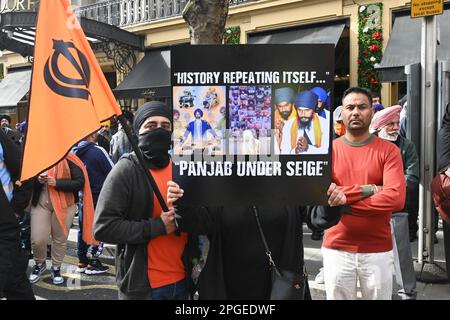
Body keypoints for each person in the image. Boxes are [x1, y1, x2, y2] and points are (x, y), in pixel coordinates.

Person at [166, 182, 347, 299]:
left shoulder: (289, 182)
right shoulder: (219, 185)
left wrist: (331, 204)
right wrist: (181, 202)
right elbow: (195, 223)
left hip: (281, 287)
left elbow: (316, 218)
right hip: (230, 290)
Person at [94, 101, 198, 300]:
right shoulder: (126, 170)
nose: (159, 131)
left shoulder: (183, 168)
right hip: (144, 288)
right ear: (138, 131)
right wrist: (156, 226)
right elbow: (103, 227)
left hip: (183, 282)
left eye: (165, 126)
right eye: (151, 126)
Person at [323, 87, 406, 300]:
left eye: (362, 107)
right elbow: (322, 195)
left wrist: (344, 203)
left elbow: (396, 197)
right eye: (350, 107)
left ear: (371, 112)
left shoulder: (389, 151)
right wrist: (369, 189)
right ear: (342, 113)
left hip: (377, 249)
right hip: (336, 248)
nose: (356, 112)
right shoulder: (328, 152)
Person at [370, 105, 419, 300]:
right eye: (390, 124)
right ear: (380, 126)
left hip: (396, 209)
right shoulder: (369, 145)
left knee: (402, 256)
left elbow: (412, 177)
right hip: (371, 209)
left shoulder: (406, 146)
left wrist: (387, 192)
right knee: (370, 255)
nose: (395, 127)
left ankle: (407, 292)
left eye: (397, 123)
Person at [28, 153, 89, 285]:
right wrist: (37, 180)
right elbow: (25, 178)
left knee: (60, 239)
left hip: (65, 204)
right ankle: (39, 263)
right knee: (38, 239)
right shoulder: (36, 155)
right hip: (40, 202)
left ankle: (56, 268)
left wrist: (57, 183)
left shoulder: (70, 157)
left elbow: (79, 182)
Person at [0, 128, 35, 300]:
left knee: (16, 284)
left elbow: (25, 172)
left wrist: (14, 210)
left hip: (4, 229)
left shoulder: (1, 138)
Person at [73, 133, 114, 275]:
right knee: (99, 226)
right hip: (99, 195)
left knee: (83, 226)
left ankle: (82, 260)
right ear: (91, 135)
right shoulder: (98, 151)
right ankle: (94, 261)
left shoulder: (73, 151)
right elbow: (113, 172)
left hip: (82, 194)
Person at [293, 90, 329, 155]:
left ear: (313, 110)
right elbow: (284, 151)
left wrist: (308, 148)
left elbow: (326, 151)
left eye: (307, 111)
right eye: (300, 110)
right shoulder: (289, 125)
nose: (303, 114)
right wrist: (295, 151)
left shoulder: (324, 124)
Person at [273, 87, 298, 154]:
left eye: (286, 105)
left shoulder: (300, 116)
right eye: (280, 106)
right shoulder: (275, 115)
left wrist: (284, 129)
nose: (283, 109)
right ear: (276, 106)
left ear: (293, 104)